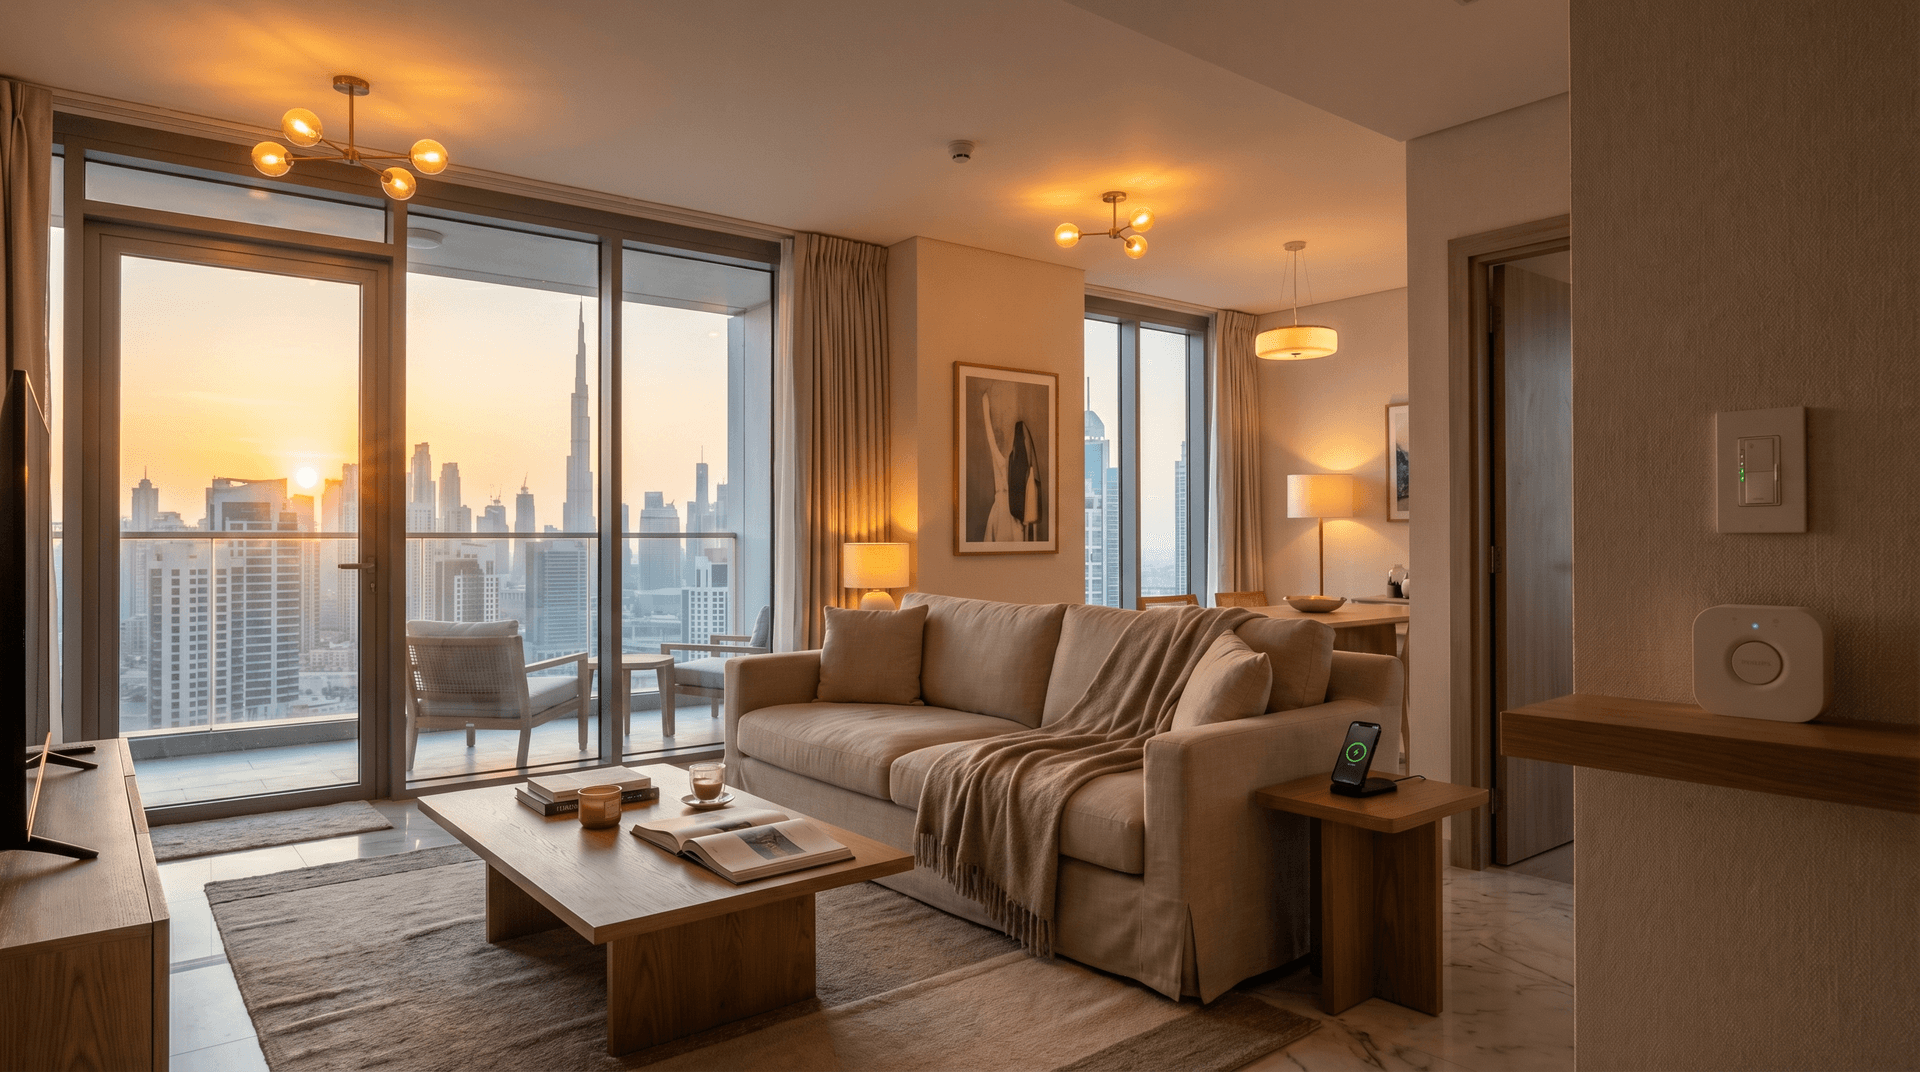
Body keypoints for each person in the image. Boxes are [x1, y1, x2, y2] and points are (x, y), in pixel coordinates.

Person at [980, 393, 1023, 542]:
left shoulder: (1012, 460)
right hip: (1001, 507)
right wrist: (985, 406)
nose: (998, 442)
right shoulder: (999, 459)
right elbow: (990, 436)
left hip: (1010, 508)